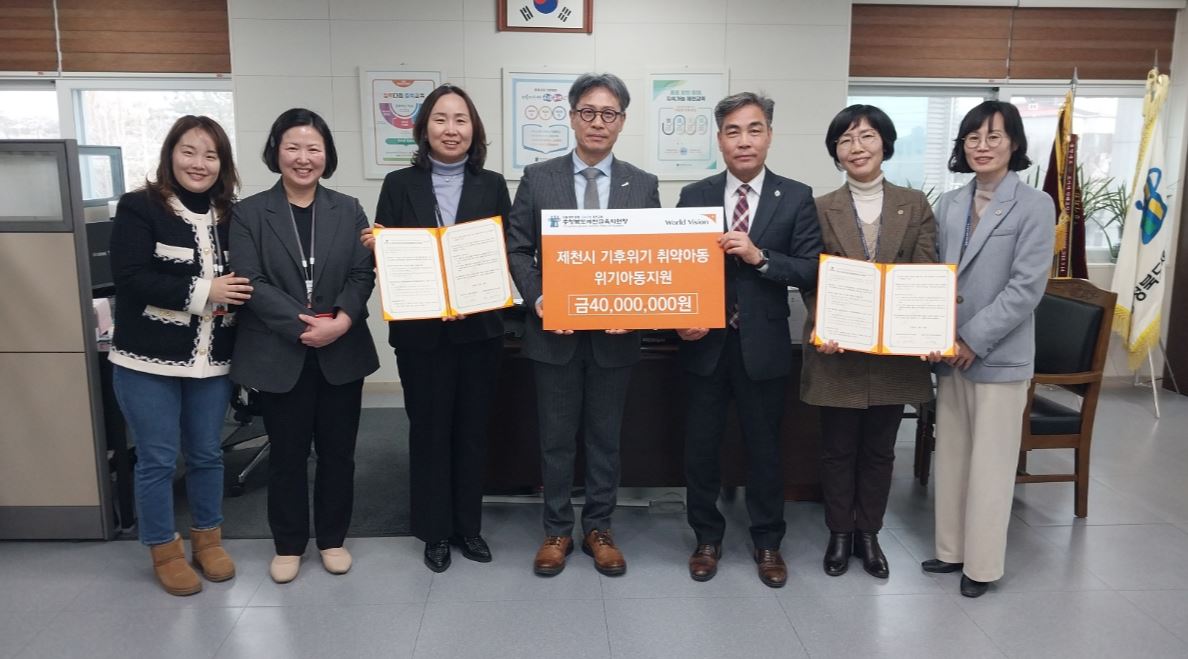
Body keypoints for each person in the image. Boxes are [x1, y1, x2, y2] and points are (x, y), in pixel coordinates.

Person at [506, 72, 661, 577]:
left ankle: (599, 528)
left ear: (622, 121)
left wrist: (634, 307)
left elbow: (651, 257)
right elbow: (518, 248)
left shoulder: (643, 184)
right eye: (588, 112)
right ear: (572, 117)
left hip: (615, 341)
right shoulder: (538, 177)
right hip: (554, 335)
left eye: (608, 113)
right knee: (555, 439)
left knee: (605, 439)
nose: (598, 122)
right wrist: (539, 298)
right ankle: (556, 530)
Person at [360, 84, 511, 573]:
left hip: (479, 332)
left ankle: (469, 526)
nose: (451, 129)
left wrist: (477, 289)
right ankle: (435, 531)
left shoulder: (493, 185)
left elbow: (504, 253)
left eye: (461, 119)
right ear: (424, 128)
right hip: (420, 336)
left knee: (472, 431)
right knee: (428, 432)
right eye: (441, 119)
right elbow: (389, 257)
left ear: (474, 129)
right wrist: (378, 246)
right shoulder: (398, 184)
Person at [675, 92, 823, 588]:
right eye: (733, 131)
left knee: (765, 449)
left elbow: (810, 268)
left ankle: (767, 542)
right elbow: (676, 268)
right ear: (719, 139)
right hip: (704, 343)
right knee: (700, 448)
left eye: (754, 129)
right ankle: (706, 538)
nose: (744, 140)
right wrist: (680, 318)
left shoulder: (795, 196)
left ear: (769, 136)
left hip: (763, 346)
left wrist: (761, 258)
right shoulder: (694, 196)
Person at [230, 108, 379, 584]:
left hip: (341, 349)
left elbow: (362, 273)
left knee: (339, 454)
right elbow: (249, 280)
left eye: (313, 148)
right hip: (281, 351)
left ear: (326, 155)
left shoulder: (348, 208)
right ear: (276, 151)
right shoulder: (250, 212)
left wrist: (342, 320)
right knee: (287, 456)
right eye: (292, 147)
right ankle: (289, 544)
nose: (303, 157)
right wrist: (303, 325)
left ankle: (333, 539)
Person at [108, 115, 249, 595]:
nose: (199, 163)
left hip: (213, 362)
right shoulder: (140, 207)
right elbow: (131, 278)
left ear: (223, 164)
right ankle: (164, 549)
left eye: (211, 155)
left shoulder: (232, 215)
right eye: (189, 151)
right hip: (147, 362)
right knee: (158, 458)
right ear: (170, 153)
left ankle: (208, 540)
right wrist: (206, 291)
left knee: (207, 454)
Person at [921, 101, 1054, 598]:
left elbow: (1026, 288)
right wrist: (933, 334)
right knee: (953, 455)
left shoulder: (1035, 204)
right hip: (949, 354)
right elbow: (934, 277)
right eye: (972, 137)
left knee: (991, 466)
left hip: (997, 354)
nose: (982, 146)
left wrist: (972, 340)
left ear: (1014, 143)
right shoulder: (951, 203)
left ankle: (981, 566)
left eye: (994, 136)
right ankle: (951, 550)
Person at [802, 105, 937, 579]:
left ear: (885, 143)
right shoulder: (819, 206)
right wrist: (822, 323)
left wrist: (926, 329)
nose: (856, 148)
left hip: (894, 355)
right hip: (838, 351)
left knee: (880, 451)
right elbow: (811, 276)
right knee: (837, 450)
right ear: (835, 152)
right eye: (845, 140)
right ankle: (839, 533)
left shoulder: (914, 204)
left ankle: (869, 535)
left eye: (866, 137)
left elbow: (925, 272)